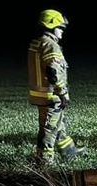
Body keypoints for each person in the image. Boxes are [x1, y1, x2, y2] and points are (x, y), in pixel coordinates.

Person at [27, 9, 80, 165]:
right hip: (51, 96)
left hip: (40, 95)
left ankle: (70, 152)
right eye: (61, 27)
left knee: (58, 125)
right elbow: (53, 70)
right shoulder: (51, 45)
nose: (63, 31)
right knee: (49, 129)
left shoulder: (37, 43)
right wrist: (62, 92)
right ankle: (45, 161)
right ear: (51, 26)